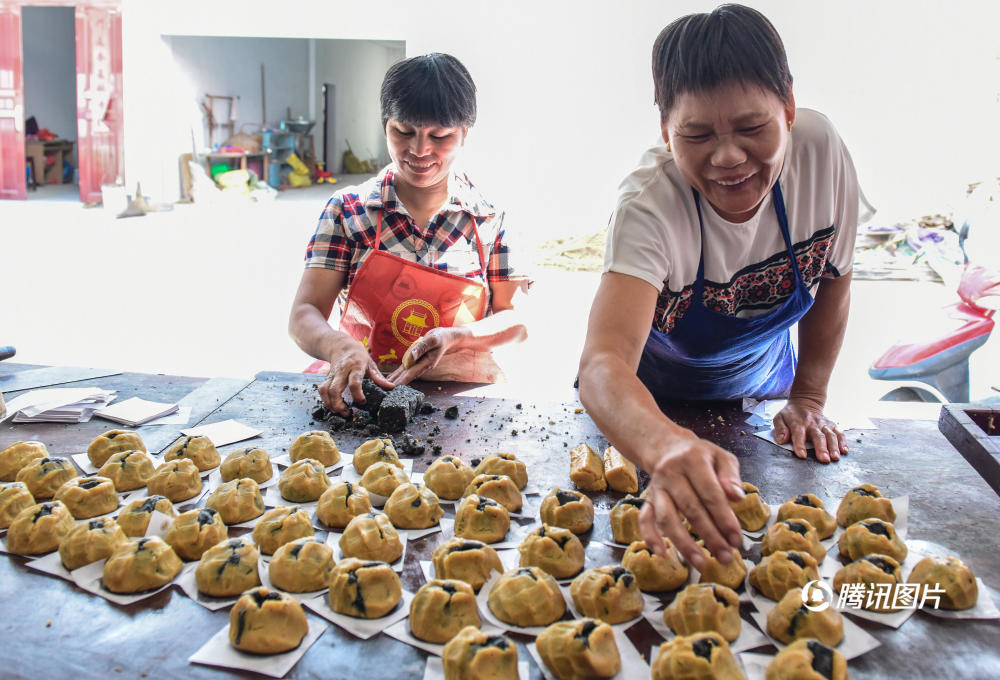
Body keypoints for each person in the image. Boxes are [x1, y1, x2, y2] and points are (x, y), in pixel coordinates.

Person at [577, 5, 873, 568]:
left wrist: (808, 397)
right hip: (647, 405)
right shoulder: (649, 206)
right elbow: (602, 364)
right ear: (666, 133)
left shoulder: (822, 152)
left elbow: (834, 278)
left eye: (751, 128)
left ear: (788, 106)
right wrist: (664, 443)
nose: (728, 157)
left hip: (760, 395)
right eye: (696, 135)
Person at [289, 54, 530, 414]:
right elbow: (304, 313)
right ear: (385, 125)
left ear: (464, 133)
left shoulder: (489, 218)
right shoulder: (348, 211)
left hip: (463, 405)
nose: (419, 150)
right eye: (404, 132)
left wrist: (457, 337)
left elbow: (516, 321)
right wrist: (338, 348)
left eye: (439, 136)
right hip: (363, 398)